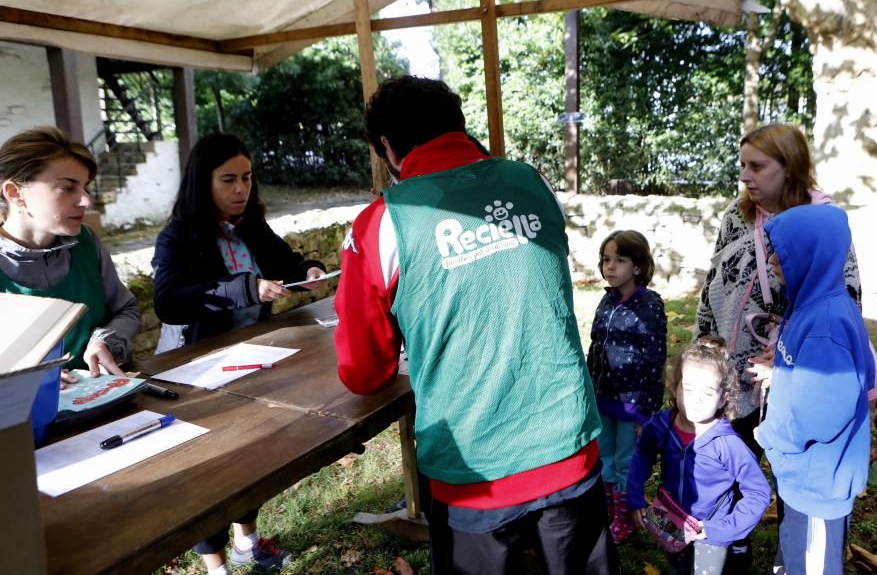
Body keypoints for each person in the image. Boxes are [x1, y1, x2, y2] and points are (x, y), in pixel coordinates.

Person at [335, 76, 616, 575]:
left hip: (475, 468)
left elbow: (363, 372)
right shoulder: (531, 181)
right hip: (567, 443)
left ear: (386, 146)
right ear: (458, 125)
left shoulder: (383, 223)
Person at [152, 133, 327, 574]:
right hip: (198, 368)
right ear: (202, 183)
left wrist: (306, 270)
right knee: (212, 468)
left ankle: (247, 541)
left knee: (254, 453)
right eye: (227, 179)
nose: (240, 189)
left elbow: (283, 260)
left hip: (252, 358)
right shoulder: (178, 236)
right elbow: (168, 299)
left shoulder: (250, 224)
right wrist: (246, 287)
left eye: (246, 178)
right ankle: (216, 567)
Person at [694, 123, 861, 569]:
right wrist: (705, 345)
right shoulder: (737, 215)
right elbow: (715, 283)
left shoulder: (822, 219)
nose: (745, 176)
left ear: (789, 169)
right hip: (735, 367)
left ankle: (798, 549)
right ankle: (731, 547)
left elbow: (844, 293)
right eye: (742, 166)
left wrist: (788, 351)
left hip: (790, 371)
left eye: (757, 166)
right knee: (729, 462)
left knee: (795, 469)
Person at [756, 204, 874, 575]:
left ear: (811, 253)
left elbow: (822, 418)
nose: (773, 259)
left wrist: (772, 437)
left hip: (815, 483)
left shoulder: (826, 323)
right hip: (803, 476)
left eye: (783, 251)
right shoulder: (811, 305)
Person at [0, 126, 138, 387]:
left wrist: (105, 340)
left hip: (104, 397)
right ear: (15, 193)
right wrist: (22, 375)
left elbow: (125, 309)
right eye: (67, 188)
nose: (86, 201)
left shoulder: (85, 242)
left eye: (85, 188)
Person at [626, 336, 770, 575]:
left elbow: (759, 492)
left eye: (708, 392)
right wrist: (635, 497)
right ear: (675, 387)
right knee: (677, 566)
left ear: (724, 397)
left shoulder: (728, 444)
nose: (696, 399)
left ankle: (737, 555)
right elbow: (642, 454)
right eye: (689, 388)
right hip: (671, 518)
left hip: (711, 534)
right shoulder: (662, 425)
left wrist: (723, 529)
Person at [586, 229, 666, 543]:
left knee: (625, 460)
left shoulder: (649, 305)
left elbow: (654, 358)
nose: (611, 266)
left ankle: (626, 518)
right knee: (603, 456)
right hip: (603, 398)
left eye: (620, 260)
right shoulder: (606, 301)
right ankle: (608, 513)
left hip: (632, 404)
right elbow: (595, 347)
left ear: (637, 266)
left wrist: (647, 410)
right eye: (606, 259)